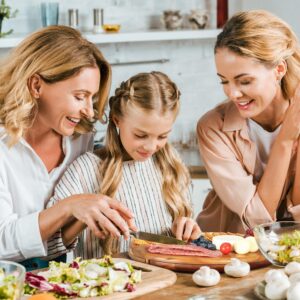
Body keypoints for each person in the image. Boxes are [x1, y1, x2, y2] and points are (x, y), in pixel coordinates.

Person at [0, 25, 136, 268]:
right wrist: (70, 206)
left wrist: (90, 211)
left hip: (56, 272)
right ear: (36, 86)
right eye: (79, 96)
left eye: (91, 98)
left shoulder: (79, 136)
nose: (89, 111)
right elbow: (2, 242)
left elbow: (59, 237)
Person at [46, 71, 201, 259]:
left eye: (162, 136)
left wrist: (187, 228)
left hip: (165, 282)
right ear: (117, 119)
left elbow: (184, 232)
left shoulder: (169, 164)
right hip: (109, 284)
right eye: (140, 135)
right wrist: (84, 219)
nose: (151, 146)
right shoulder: (86, 169)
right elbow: (48, 247)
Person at [196, 10, 300, 233]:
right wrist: (286, 138)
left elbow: (298, 210)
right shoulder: (213, 128)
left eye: (244, 81)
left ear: (279, 70)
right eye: (224, 81)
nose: (232, 93)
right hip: (227, 255)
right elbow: (257, 219)